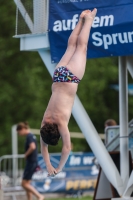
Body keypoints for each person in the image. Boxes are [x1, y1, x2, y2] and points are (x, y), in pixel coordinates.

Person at [40, 9, 97, 177]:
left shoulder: (61, 123)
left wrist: (60, 168)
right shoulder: (44, 122)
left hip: (70, 78)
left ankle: (89, 20)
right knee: (71, 46)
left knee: (82, 47)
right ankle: (81, 20)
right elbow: (44, 146)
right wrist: (48, 164)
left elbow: (67, 148)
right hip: (58, 76)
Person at [16, 122, 44, 200]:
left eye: (19, 132)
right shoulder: (32, 136)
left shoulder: (29, 136)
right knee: (28, 184)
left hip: (31, 162)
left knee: (24, 184)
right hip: (33, 161)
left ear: (22, 129)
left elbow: (32, 147)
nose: (19, 134)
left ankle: (39, 196)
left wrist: (26, 154)